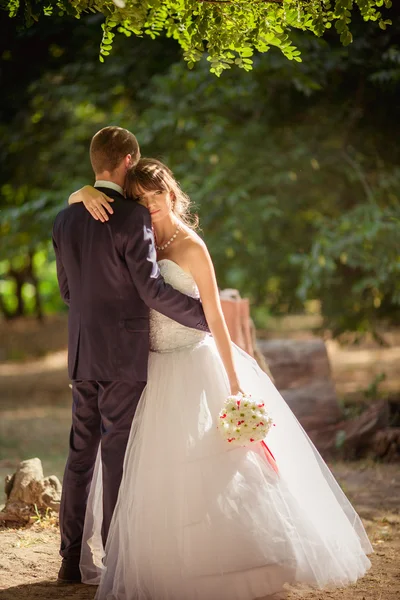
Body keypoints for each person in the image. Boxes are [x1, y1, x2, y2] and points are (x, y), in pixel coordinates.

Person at [71, 158, 372, 600]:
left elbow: (215, 314)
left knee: (220, 468)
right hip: (149, 367)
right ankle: (167, 564)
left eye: (159, 197)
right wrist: (82, 192)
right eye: (142, 199)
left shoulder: (192, 246)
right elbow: (84, 215)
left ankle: (241, 562)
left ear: (173, 196)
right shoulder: (136, 236)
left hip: (195, 362)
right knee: (155, 472)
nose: (151, 206)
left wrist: (234, 383)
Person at [52, 130, 209, 585]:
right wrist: (204, 318)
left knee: (80, 455)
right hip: (123, 354)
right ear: (126, 161)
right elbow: (151, 290)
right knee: (116, 453)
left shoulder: (65, 220)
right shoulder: (132, 218)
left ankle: (69, 563)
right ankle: (118, 561)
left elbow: (66, 291)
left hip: (82, 351)